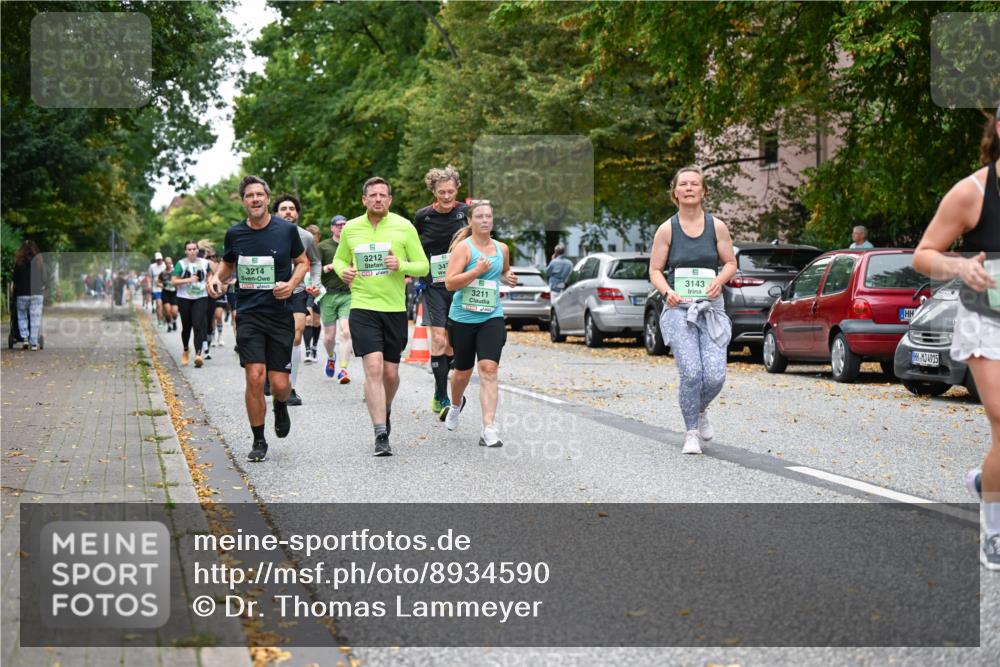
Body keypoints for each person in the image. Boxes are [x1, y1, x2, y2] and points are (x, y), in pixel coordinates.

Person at [913, 107, 1000, 570]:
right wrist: (961, 267)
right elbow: (924, 254)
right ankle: (995, 526)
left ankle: (987, 482)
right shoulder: (972, 192)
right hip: (988, 315)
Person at [207, 175, 307, 463]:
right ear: (243, 201)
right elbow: (227, 263)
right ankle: (259, 439)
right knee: (254, 376)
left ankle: (280, 405)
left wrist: (290, 284)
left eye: (259, 195)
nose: (255, 199)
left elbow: (300, 262)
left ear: (267, 197)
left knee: (279, 385)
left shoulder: (286, 230)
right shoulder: (235, 234)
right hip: (249, 314)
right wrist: (216, 279)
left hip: (279, 314)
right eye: (249, 195)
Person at [333, 176, 429, 456]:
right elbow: (340, 259)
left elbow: (423, 266)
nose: (378, 199)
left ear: (389, 199)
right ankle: (380, 434)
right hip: (363, 307)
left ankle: (385, 408)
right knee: (373, 368)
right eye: (372, 195)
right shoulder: (351, 228)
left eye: (382, 195)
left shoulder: (404, 226)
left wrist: (401, 264)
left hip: (394, 310)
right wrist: (343, 271)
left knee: (390, 373)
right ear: (364, 199)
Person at [649, 165, 737, 455]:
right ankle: (691, 433)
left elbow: (730, 263)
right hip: (678, 308)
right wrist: (667, 292)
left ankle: (700, 410)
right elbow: (655, 270)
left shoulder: (717, 226)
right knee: (691, 372)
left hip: (710, 307)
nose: (688, 188)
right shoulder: (667, 229)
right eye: (683, 184)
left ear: (703, 191)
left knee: (714, 375)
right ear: (675, 192)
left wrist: (720, 281)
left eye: (694, 184)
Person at [441, 201, 518, 446]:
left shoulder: (502, 248)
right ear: (470, 221)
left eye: (489, 216)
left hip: (491, 316)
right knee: (462, 371)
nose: (485, 220)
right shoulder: (464, 249)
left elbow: (503, 271)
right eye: (480, 217)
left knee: (488, 368)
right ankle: (455, 405)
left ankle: (489, 428)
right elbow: (450, 283)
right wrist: (475, 271)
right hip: (463, 318)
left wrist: (508, 277)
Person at [413, 165, 469, 416]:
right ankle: (441, 395)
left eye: (451, 191)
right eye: (441, 192)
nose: (447, 197)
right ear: (433, 191)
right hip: (434, 285)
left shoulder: (467, 213)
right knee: (438, 338)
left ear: (457, 189)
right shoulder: (423, 217)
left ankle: (448, 379)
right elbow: (414, 247)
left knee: (452, 344)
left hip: (460, 284)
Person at [271, 194, 322, 406]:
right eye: (283, 209)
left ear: (297, 214)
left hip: (298, 291)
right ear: (276, 213)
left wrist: (316, 283)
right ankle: (270, 376)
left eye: (292, 208)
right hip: (270, 292)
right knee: (272, 338)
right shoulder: (265, 234)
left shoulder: (305, 237)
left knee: (296, 335)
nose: (288, 212)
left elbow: (316, 261)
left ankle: (290, 388)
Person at [318, 215, 353, 383]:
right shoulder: (323, 247)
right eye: (338, 225)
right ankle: (331, 357)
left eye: (345, 224)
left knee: (346, 331)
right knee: (329, 337)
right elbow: (313, 270)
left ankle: (343, 369)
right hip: (328, 295)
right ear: (332, 228)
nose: (341, 227)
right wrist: (328, 267)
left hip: (348, 294)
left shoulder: (353, 245)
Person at [172, 240, 213, 368]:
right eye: (189, 249)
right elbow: (174, 281)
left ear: (197, 250)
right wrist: (189, 279)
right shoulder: (181, 264)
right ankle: (185, 350)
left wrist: (209, 282)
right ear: (186, 251)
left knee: (198, 325)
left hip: (201, 297)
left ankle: (198, 355)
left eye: (194, 249)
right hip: (184, 298)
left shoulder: (205, 263)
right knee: (186, 327)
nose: (192, 251)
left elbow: (211, 274)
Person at [12, 240, 46, 350]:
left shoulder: (19, 262)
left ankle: (25, 339)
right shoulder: (39, 261)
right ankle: (34, 343)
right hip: (37, 293)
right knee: (35, 318)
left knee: (22, 316)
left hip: (22, 294)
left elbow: (15, 278)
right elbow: (44, 278)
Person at [304, 224, 324, 363]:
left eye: (314, 237)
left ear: (318, 238)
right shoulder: (301, 250)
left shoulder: (322, 250)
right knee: (308, 319)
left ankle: (315, 346)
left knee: (316, 321)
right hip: (305, 288)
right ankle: (307, 350)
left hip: (320, 289)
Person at [160, 257, 178, 331]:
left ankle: (174, 321)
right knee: (167, 311)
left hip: (174, 293)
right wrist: (159, 284)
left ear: (172, 263)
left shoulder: (176, 272)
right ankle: (169, 325)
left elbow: (180, 281)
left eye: (169, 263)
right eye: (166, 263)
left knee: (174, 312)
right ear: (165, 263)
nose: (168, 264)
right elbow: (158, 281)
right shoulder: (162, 273)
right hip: (165, 293)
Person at [149, 252, 167, 325]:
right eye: (157, 260)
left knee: (164, 305)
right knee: (158, 304)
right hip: (156, 288)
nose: (159, 261)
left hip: (164, 288)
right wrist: (150, 286)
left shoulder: (165, 266)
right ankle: (159, 320)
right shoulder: (152, 267)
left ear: (162, 259)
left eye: (160, 259)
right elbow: (150, 277)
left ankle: (164, 317)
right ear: (155, 260)